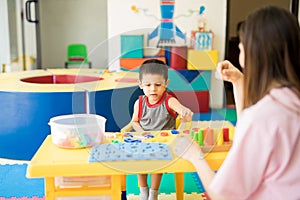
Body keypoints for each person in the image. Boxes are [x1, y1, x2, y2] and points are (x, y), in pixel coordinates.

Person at [175, 5, 300, 199]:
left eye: (241, 49)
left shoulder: (262, 118)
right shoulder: (290, 102)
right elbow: (253, 133)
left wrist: (195, 156)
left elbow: (223, 196)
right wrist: (239, 81)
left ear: (255, 54)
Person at [130, 59, 193, 200]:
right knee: (138, 159)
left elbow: (179, 107)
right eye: (148, 85)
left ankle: (153, 192)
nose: (153, 89)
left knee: (155, 161)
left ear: (166, 84)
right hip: (144, 140)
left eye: (158, 85)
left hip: (164, 143)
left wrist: (184, 111)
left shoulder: (168, 100)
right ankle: (143, 190)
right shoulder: (139, 103)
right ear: (140, 85)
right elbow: (134, 122)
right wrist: (141, 132)